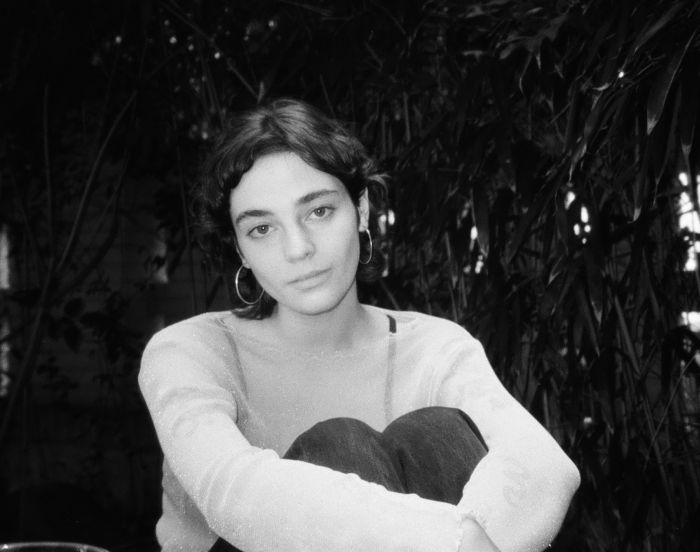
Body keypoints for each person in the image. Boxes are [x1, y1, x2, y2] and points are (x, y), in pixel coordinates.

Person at [138, 98, 580, 552]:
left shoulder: (434, 347)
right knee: (339, 446)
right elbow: (229, 488)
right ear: (239, 249)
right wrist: (451, 538)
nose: (298, 249)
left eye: (319, 211)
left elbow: (542, 465)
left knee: (437, 432)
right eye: (262, 229)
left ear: (361, 209)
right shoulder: (189, 352)